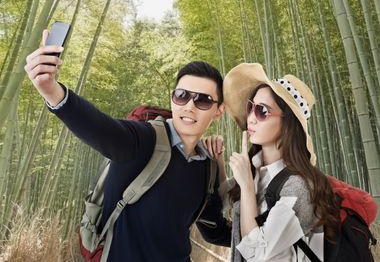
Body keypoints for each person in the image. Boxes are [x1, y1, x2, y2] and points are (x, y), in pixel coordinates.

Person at [24, 30, 231, 262]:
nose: (189, 107)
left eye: (202, 100)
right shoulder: (144, 139)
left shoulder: (208, 166)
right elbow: (101, 128)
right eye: (182, 96)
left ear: (219, 111)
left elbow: (215, 230)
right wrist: (51, 90)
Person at [205, 63, 339, 261]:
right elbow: (222, 200)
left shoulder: (300, 187)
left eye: (262, 111)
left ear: (288, 124)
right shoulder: (258, 169)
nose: (250, 118)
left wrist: (248, 188)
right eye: (250, 108)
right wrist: (218, 160)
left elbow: (257, 255)